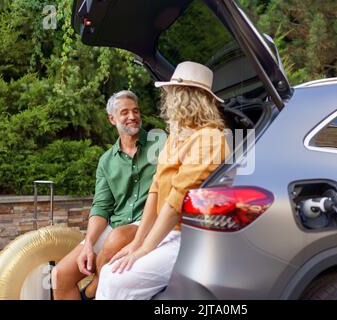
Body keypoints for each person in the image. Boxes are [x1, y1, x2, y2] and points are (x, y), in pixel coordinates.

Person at [95, 61, 230, 300]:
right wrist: (137, 242)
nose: (167, 101)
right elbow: (156, 191)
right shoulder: (176, 137)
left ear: (185, 98)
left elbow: (175, 201)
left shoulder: (209, 138)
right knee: (108, 273)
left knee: (117, 281)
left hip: (192, 238)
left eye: (171, 94)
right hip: (167, 232)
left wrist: (146, 249)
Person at [51, 90, 157, 300]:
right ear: (112, 119)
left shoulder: (160, 145)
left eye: (135, 111)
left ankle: (92, 290)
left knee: (116, 238)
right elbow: (101, 207)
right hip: (116, 225)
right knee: (58, 275)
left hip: (147, 223)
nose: (132, 116)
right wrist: (89, 244)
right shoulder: (106, 161)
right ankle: (93, 288)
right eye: (124, 112)